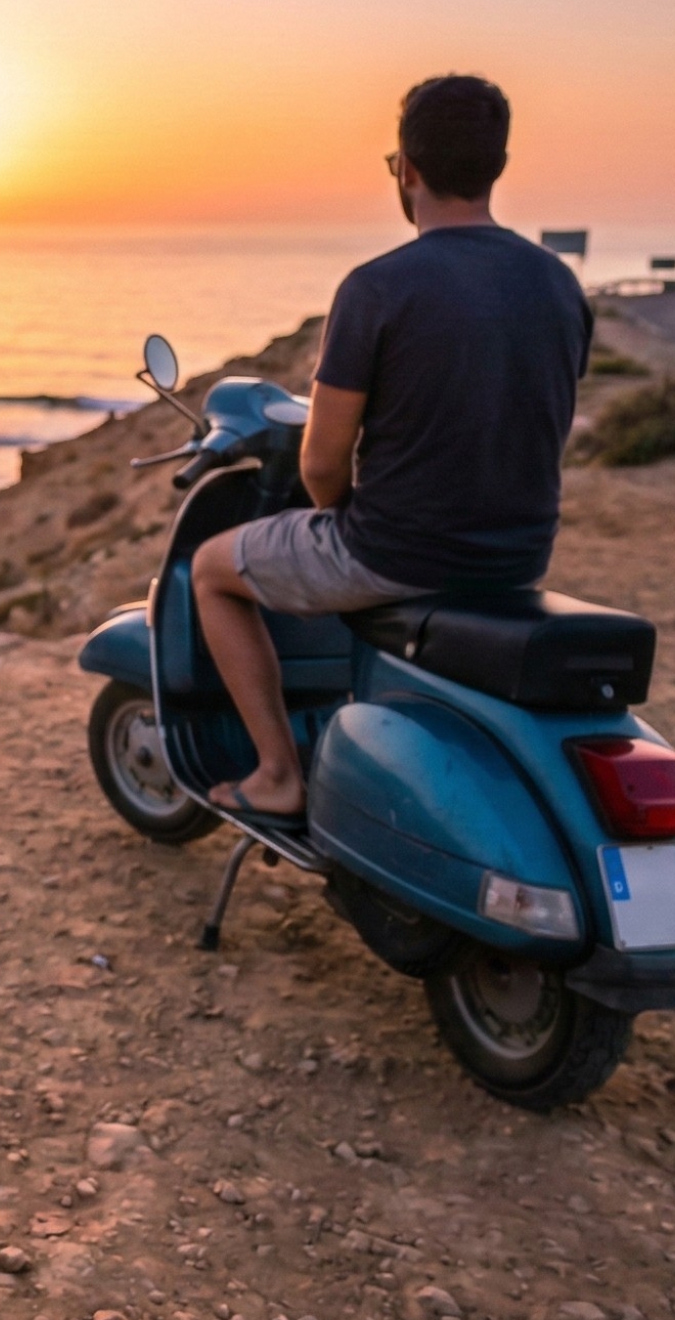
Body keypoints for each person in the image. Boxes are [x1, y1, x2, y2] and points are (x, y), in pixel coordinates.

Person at [194, 74, 590, 819]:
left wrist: (338, 515)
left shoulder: (379, 287)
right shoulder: (557, 284)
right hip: (516, 556)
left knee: (212, 570)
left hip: (398, 554)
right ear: (497, 166)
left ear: (406, 169)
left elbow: (320, 462)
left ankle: (278, 774)